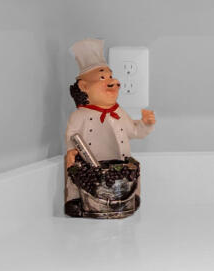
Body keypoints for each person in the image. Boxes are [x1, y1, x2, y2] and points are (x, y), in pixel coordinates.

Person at [63, 38, 155, 218]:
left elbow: (134, 131)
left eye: (111, 76)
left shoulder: (118, 112)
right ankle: (75, 200)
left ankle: (131, 198)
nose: (112, 81)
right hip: (89, 168)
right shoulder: (79, 115)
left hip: (118, 164)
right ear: (84, 87)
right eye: (103, 77)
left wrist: (145, 123)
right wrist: (71, 151)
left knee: (130, 172)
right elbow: (71, 136)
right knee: (77, 175)